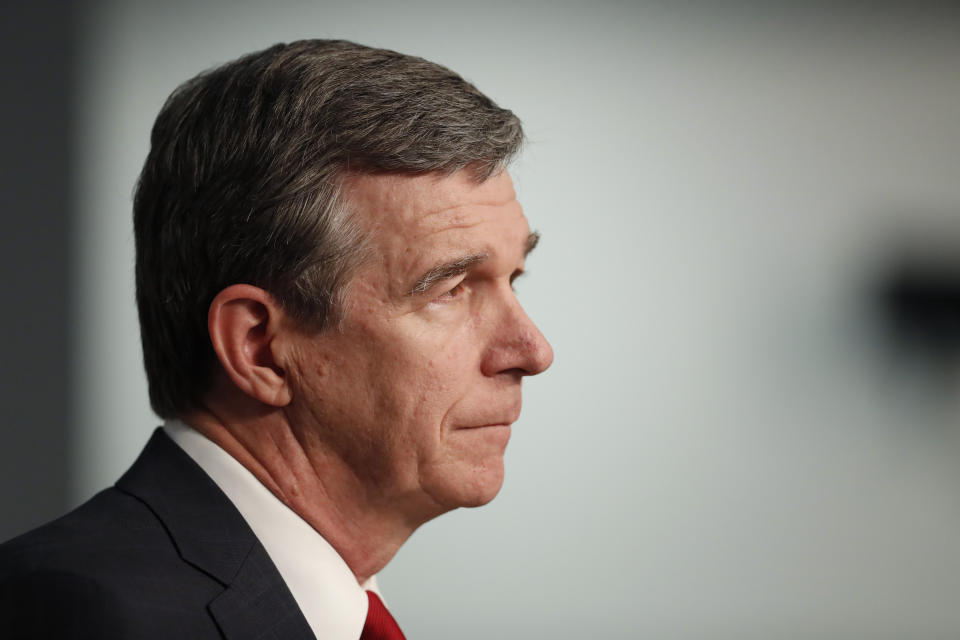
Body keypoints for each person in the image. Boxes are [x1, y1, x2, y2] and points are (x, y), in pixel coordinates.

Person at [0, 39, 553, 639]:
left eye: (513, 279)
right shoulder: (80, 615)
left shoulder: (325, 611)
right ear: (259, 348)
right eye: (450, 288)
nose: (531, 351)